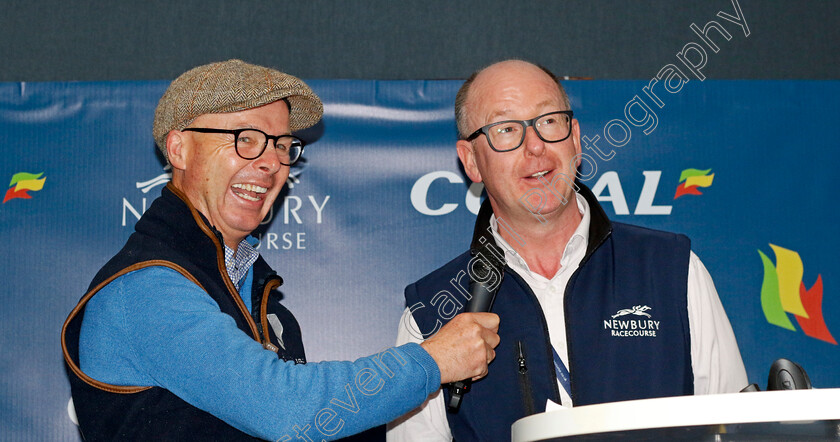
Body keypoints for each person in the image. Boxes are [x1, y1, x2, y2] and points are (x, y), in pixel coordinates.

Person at [61, 59, 500, 441]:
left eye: (282, 146)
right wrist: (430, 362)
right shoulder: (144, 289)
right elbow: (286, 410)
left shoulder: (266, 307)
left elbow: (313, 428)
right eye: (245, 139)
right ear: (179, 148)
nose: (271, 163)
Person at [386, 59, 747, 441]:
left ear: (575, 138)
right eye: (506, 129)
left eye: (548, 121)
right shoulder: (431, 314)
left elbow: (734, 431)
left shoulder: (672, 270)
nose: (536, 146)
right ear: (471, 161)